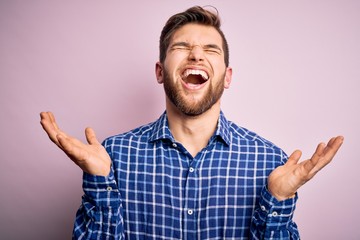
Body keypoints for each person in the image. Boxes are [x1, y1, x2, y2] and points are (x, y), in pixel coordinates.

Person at [40, 6, 343, 240]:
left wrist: (276, 202)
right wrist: (99, 182)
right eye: (181, 47)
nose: (196, 54)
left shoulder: (271, 163)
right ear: (160, 72)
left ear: (227, 77)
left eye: (210, 50)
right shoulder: (112, 158)